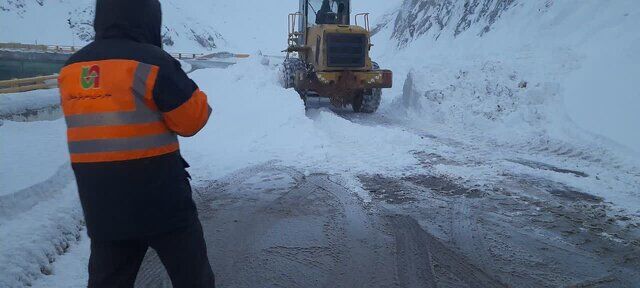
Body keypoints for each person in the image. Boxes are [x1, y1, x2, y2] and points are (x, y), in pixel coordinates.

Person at [57, 0, 215, 287]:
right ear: (148, 18)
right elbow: (193, 119)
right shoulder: (153, 63)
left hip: (103, 208)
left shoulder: (71, 71)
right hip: (163, 205)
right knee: (193, 278)